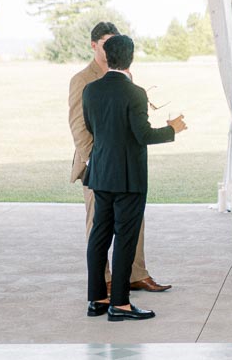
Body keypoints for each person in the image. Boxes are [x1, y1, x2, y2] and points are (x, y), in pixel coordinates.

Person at [82, 35, 186, 321]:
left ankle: (97, 299)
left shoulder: (90, 90)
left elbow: (92, 128)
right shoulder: (135, 92)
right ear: (129, 58)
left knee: (99, 236)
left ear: (106, 56)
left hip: (100, 173)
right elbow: (143, 135)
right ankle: (120, 304)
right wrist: (172, 129)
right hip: (128, 177)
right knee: (125, 238)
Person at [70, 22, 170, 293]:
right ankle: (103, 283)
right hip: (98, 166)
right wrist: (97, 161)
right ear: (94, 45)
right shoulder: (83, 80)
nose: (112, 46)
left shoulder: (126, 76)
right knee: (98, 228)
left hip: (125, 166)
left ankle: (136, 274)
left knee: (134, 223)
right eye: (106, 42)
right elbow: (80, 126)